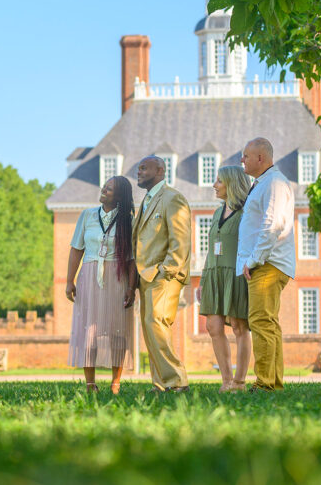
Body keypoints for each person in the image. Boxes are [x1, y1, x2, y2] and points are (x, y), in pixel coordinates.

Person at [65, 176, 137, 394]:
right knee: (89, 331)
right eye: (104, 185)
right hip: (89, 276)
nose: (104, 189)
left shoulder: (129, 221)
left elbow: (133, 259)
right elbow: (76, 248)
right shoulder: (87, 215)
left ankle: (116, 382)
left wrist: (131, 288)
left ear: (120, 196)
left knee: (118, 332)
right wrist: (70, 280)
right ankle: (90, 383)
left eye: (110, 188)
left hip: (117, 277)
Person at [237, 138, 296, 392]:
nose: (242, 160)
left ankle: (265, 384)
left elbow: (272, 225)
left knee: (260, 321)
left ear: (261, 158)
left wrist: (253, 259)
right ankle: (274, 382)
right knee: (268, 323)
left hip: (268, 263)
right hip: (266, 262)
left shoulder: (274, 183)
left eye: (246, 156)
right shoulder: (264, 183)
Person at [133, 155, 192, 393]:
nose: (139, 171)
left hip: (164, 275)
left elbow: (181, 239)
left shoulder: (172, 198)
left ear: (160, 170)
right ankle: (160, 383)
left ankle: (177, 380)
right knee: (151, 328)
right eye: (138, 168)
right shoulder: (147, 200)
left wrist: (166, 270)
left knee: (156, 322)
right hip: (145, 276)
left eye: (143, 167)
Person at [198, 165, 251, 393]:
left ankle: (239, 382)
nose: (214, 185)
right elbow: (211, 249)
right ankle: (226, 380)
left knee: (240, 327)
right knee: (213, 326)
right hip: (213, 273)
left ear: (231, 184)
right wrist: (202, 280)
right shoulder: (216, 212)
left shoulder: (246, 213)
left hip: (236, 274)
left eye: (219, 181)